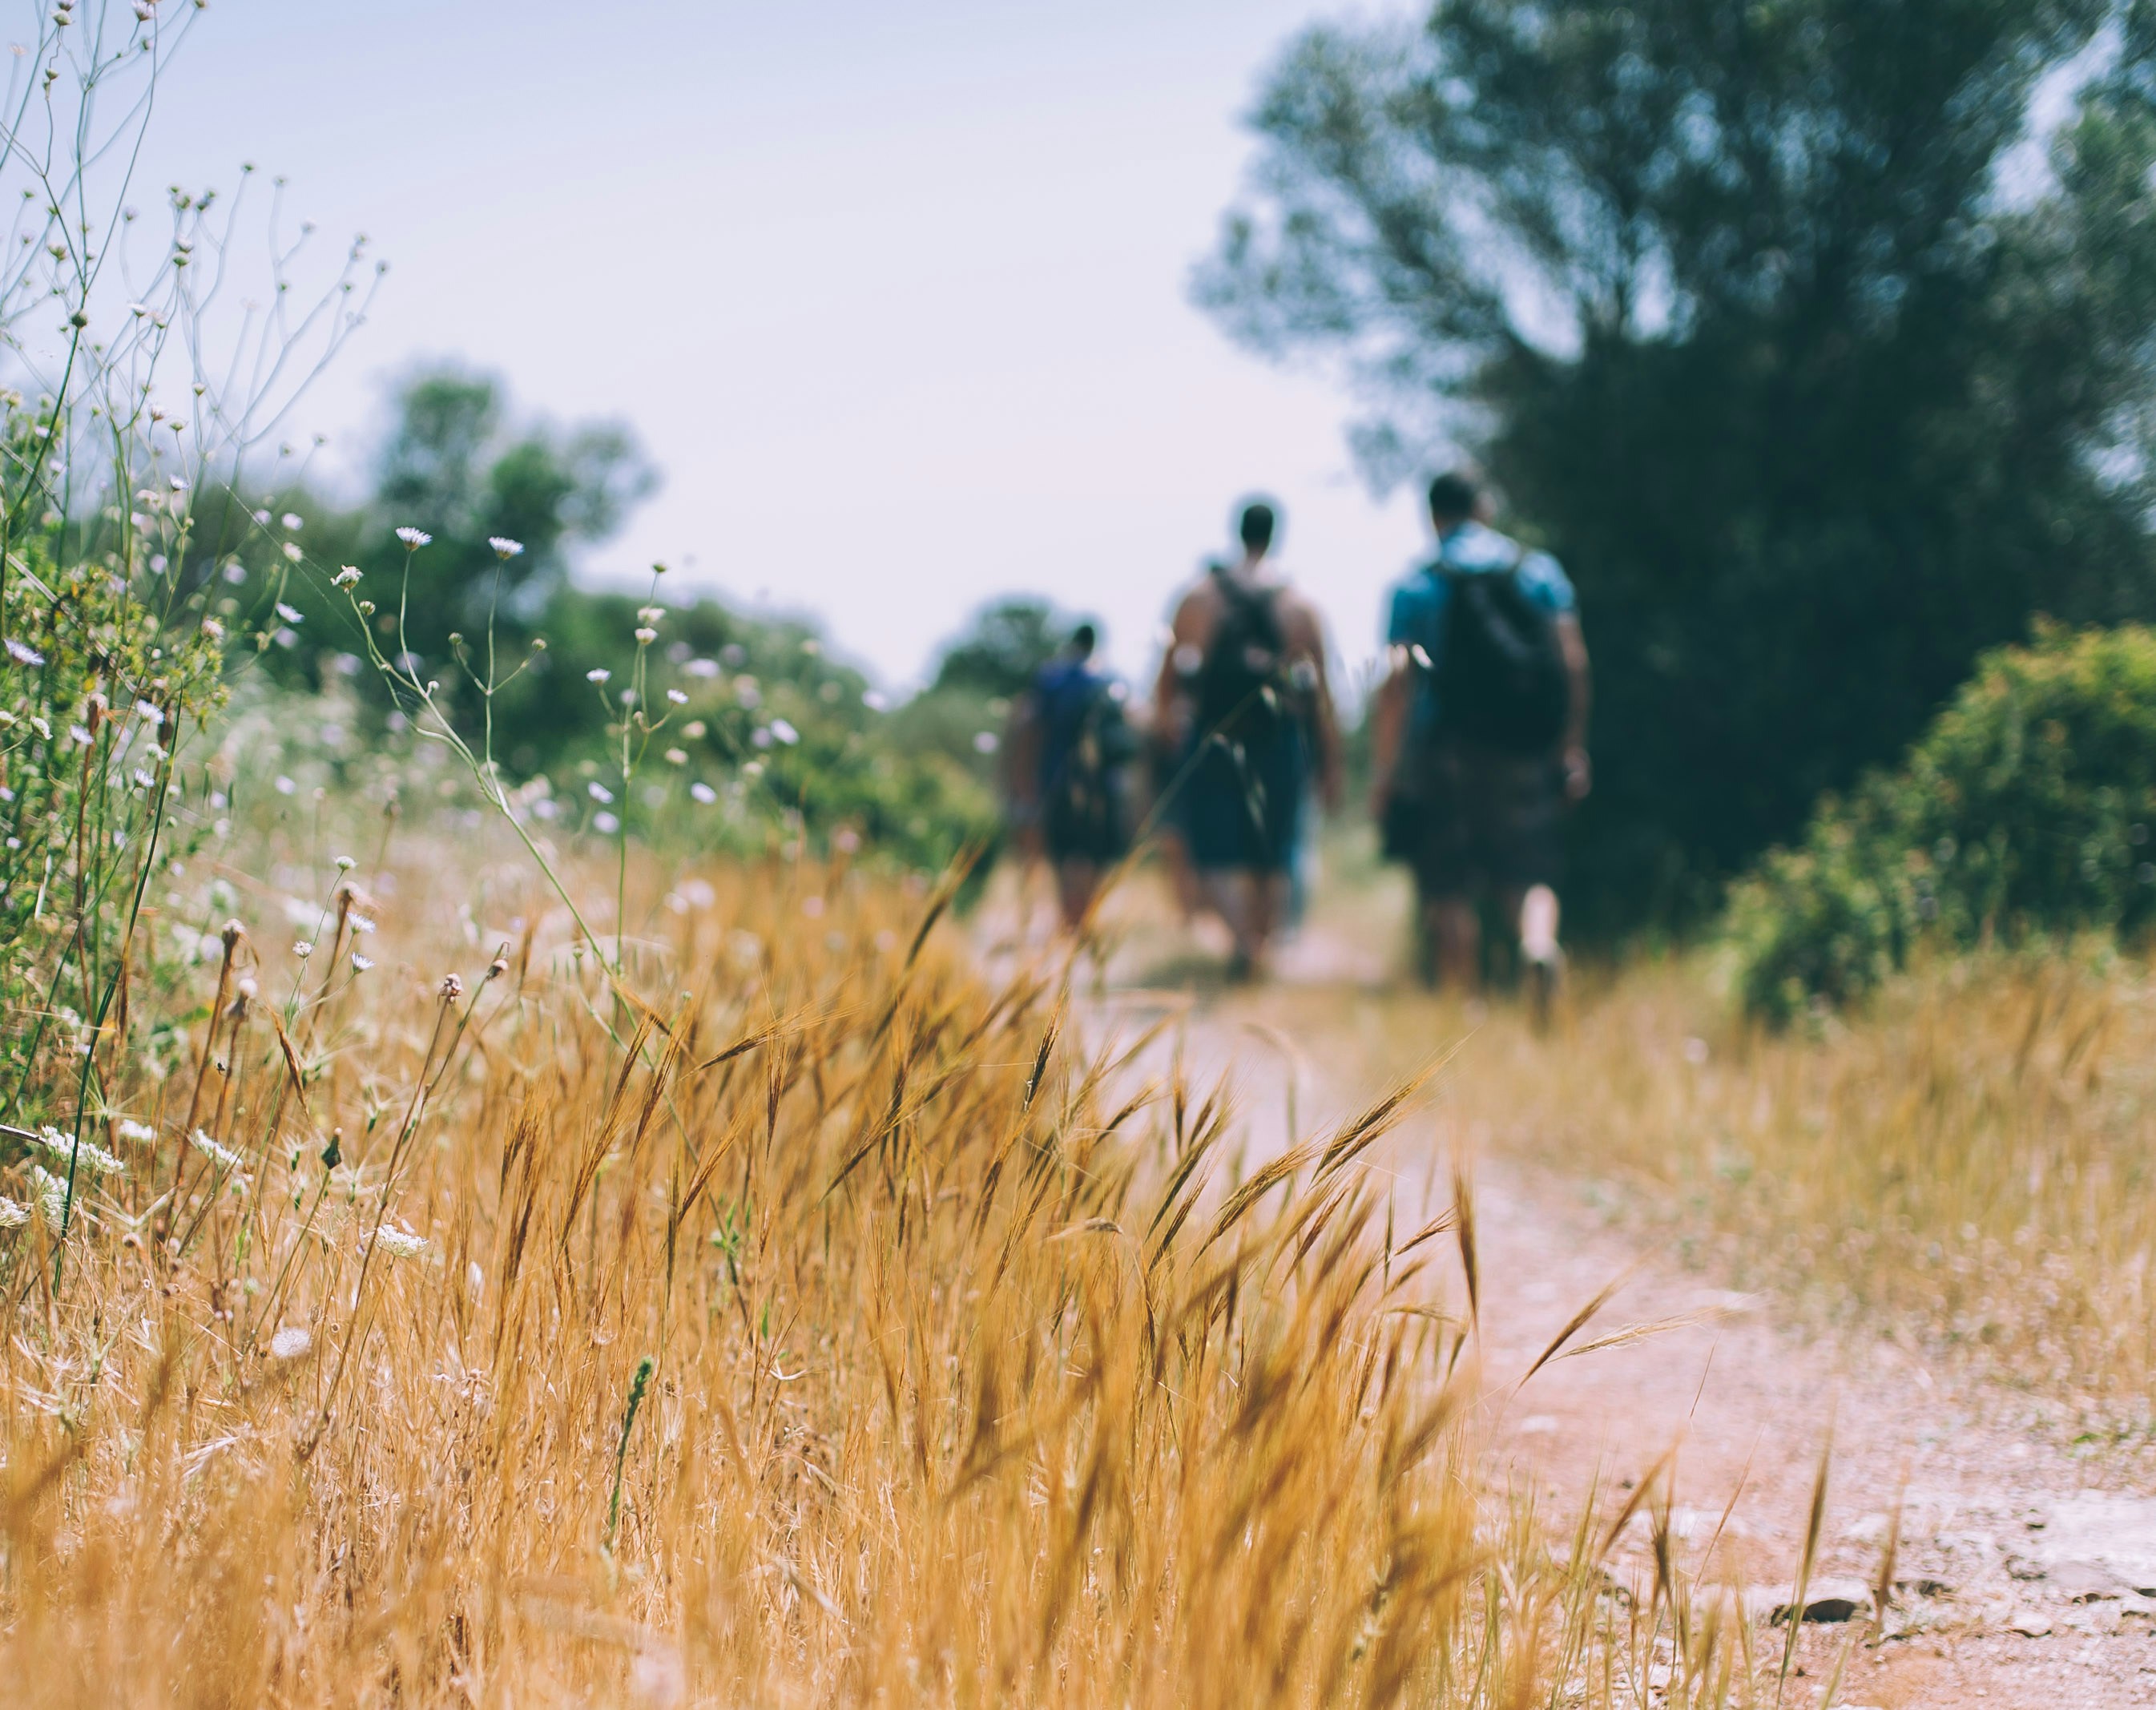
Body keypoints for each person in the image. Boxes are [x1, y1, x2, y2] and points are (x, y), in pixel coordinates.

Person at [1370, 470, 1590, 1018]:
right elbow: (1572, 662)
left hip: (1443, 747)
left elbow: (1397, 685)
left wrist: (1386, 771)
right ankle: (1536, 946)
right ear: (1485, 508)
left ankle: (1464, 1008)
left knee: (1448, 880)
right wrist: (1570, 744)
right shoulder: (1535, 571)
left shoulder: (1416, 583)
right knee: (1527, 865)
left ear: (1431, 515)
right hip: (1522, 742)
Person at [1155, 499, 1342, 978]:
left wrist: (1164, 739)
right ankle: (1259, 945)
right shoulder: (1299, 604)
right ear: (1276, 534)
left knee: (1216, 846)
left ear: (1236, 532)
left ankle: (1241, 941)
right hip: (1279, 740)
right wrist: (1331, 763)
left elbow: (1168, 680)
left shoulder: (1199, 596)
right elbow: (1321, 694)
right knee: (1272, 848)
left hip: (1214, 737)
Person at [1005, 622, 1136, 932]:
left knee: (1065, 854)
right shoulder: (1111, 678)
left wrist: (1023, 781)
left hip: (1058, 781)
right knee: (1095, 853)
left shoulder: (1052, 679)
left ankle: (1069, 920)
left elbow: (1030, 729)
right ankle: (1084, 916)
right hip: (1106, 784)